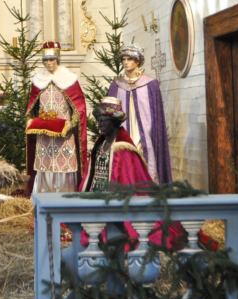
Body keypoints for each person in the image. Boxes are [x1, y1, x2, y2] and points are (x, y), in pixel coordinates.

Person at [78, 97, 184, 250]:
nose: (99, 124)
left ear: (113, 121)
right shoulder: (101, 144)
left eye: (103, 120)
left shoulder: (123, 149)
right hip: (96, 201)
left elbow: (127, 181)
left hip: (114, 204)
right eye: (98, 120)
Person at [26, 42, 88, 195]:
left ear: (58, 59)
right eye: (46, 60)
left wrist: (71, 124)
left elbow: (79, 108)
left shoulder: (69, 79)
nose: (49, 63)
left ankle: (66, 197)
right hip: (44, 136)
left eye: (52, 59)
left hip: (64, 135)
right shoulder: (38, 80)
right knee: (45, 167)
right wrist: (29, 120)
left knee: (64, 167)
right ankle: (43, 197)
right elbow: (31, 107)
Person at [107, 44, 173, 184]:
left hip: (145, 131)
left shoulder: (150, 84)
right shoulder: (116, 85)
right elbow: (109, 112)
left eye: (129, 59)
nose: (126, 62)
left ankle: (147, 188)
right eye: (123, 59)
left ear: (137, 61)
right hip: (123, 131)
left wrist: (150, 131)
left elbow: (157, 114)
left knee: (145, 154)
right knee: (125, 157)